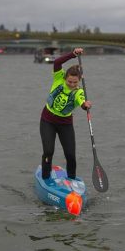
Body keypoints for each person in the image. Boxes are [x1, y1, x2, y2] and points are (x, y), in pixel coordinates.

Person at [39, 47, 92, 182]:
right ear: (65, 78)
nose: (72, 84)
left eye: (75, 82)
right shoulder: (58, 78)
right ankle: (46, 178)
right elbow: (57, 62)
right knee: (48, 151)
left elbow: (81, 102)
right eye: (69, 82)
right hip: (47, 120)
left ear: (79, 81)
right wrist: (72, 54)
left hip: (65, 124)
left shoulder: (79, 92)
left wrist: (85, 106)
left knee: (70, 155)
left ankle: (72, 180)